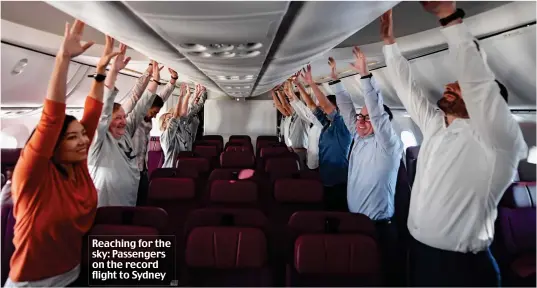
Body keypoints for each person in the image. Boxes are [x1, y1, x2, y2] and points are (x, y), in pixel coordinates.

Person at [380, 3, 528, 286]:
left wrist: (449, 18)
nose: (449, 85)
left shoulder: (498, 143)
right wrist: (389, 45)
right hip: (419, 254)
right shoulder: (436, 124)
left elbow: (480, 84)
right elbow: (406, 88)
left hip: (459, 269)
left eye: (461, 86)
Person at [6, 21, 120, 287]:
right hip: (32, 283)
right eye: (72, 137)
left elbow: (92, 113)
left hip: (73, 274)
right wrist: (63, 58)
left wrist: (101, 72)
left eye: (82, 134)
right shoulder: (32, 178)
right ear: (52, 147)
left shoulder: (77, 166)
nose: (84, 141)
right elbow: (51, 119)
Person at [345, 47, 404, 285]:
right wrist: (337, 83)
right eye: (361, 117)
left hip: (378, 229)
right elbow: (346, 110)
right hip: (354, 223)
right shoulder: (359, 138)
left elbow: (378, 115)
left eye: (366, 118)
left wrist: (366, 78)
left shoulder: (389, 146)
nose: (361, 121)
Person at [88, 42, 158, 208]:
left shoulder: (126, 133)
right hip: (105, 211)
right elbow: (104, 107)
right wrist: (113, 71)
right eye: (118, 118)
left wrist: (155, 79)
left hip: (129, 204)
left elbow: (141, 107)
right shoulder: (97, 143)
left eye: (124, 117)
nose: (123, 121)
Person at [120, 61, 177, 205]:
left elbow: (161, 99)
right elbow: (136, 94)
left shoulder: (147, 119)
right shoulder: (132, 120)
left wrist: (172, 82)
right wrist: (151, 74)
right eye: (154, 112)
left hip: (143, 171)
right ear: (146, 107)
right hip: (130, 172)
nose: (155, 116)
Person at [300, 64, 352, 211]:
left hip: (338, 181)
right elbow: (312, 106)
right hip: (324, 178)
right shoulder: (326, 125)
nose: (323, 110)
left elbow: (325, 105)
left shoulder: (343, 126)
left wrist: (311, 83)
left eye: (327, 108)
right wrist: (299, 85)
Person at [160, 83, 205, 168]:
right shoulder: (165, 137)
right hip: (170, 172)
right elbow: (177, 117)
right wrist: (182, 96)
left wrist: (193, 95)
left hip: (185, 169)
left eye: (171, 117)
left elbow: (186, 113)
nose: (172, 119)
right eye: (168, 119)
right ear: (164, 125)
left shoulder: (182, 129)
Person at [283, 79, 323, 170]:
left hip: (318, 164)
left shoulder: (323, 123)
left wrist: (295, 90)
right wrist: (290, 96)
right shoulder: (316, 122)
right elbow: (303, 112)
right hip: (311, 160)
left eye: (321, 107)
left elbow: (307, 110)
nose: (319, 109)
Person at [274, 88, 309, 170]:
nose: (289, 104)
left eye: (291, 102)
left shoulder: (302, 117)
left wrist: (280, 92)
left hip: (300, 151)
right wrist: (279, 92)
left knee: (300, 171)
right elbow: (282, 105)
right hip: (291, 149)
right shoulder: (291, 115)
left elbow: (284, 105)